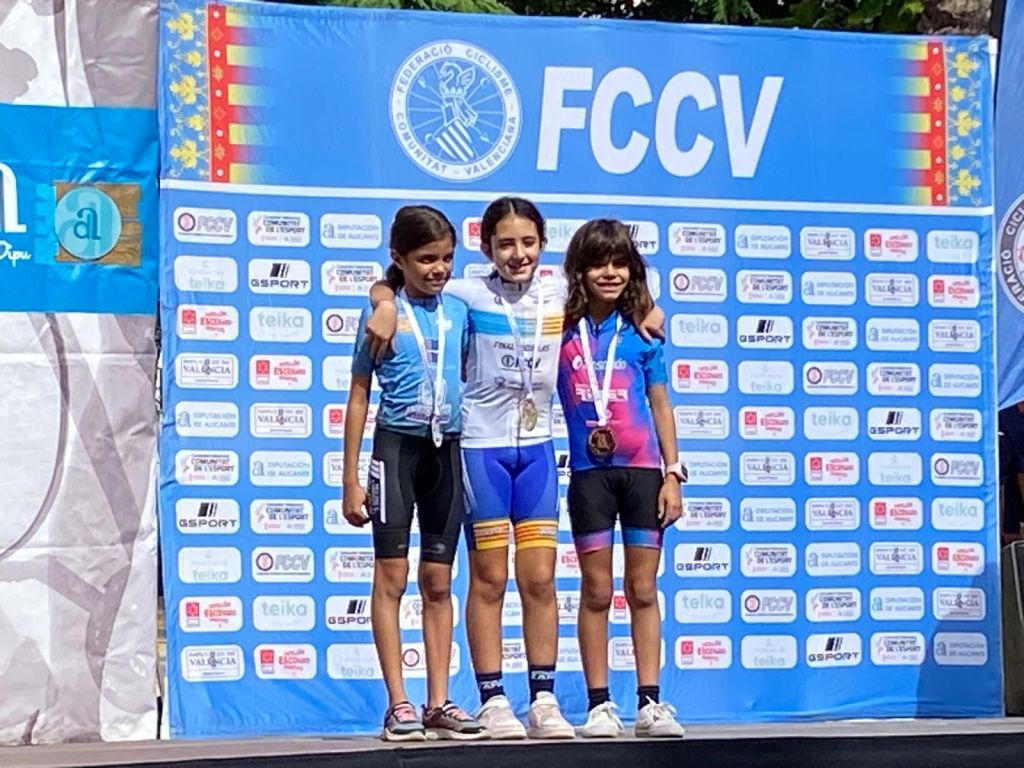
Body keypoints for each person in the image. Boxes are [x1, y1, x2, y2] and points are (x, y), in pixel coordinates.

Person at [365, 197, 663, 740]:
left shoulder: (561, 296)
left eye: (528, 243)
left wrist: (646, 308)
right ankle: (493, 699)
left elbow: (616, 288)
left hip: (538, 454)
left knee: (541, 579)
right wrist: (381, 298)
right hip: (482, 450)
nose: (517, 254)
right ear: (486, 248)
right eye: (505, 244)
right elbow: (400, 284)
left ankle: (543, 700)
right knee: (490, 578)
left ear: (543, 245)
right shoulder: (466, 293)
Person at [342, 205, 486, 742]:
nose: (439, 268)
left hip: (446, 450)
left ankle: (438, 702)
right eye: (426, 259)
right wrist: (350, 478)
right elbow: (359, 396)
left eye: (447, 258)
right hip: (396, 449)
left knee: (439, 581)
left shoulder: (460, 311)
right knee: (392, 577)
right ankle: (398, 703)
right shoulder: (381, 315)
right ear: (398, 258)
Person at [556, 218, 685, 739]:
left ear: (632, 269)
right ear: (579, 271)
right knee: (596, 589)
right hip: (589, 474)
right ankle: (599, 705)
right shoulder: (560, 328)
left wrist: (673, 473)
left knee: (643, 588)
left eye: (619, 263)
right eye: (597, 264)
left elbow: (660, 403)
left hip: (643, 472)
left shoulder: (643, 332)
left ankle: (650, 702)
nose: (609, 273)